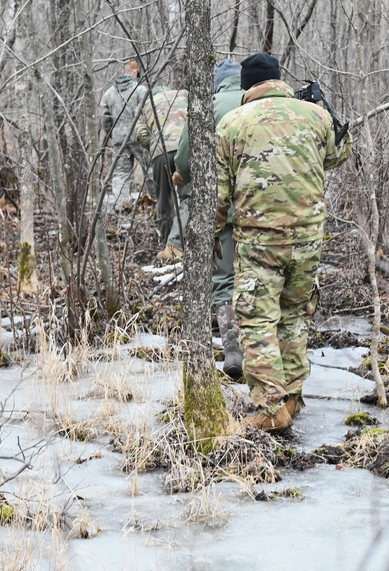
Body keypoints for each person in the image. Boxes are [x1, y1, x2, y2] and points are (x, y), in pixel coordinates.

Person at [216, 52, 352, 432]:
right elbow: (340, 153)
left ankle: (270, 407)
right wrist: (318, 113)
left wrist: (212, 237)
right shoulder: (315, 116)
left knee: (257, 321)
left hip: (259, 242)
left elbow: (218, 194)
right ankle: (291, 396)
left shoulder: (231, 124)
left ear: (246, 86)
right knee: (294, 316)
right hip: (308, 240)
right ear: (279, 80)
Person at [172, 59, 243, 377]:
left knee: (224, 279)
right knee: (263, 280)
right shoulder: (263, 102)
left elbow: (184, 161)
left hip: (220, 207)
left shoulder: (208, 105)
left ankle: (232, 349)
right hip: (266, 207)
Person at [137, 86, 188, 259]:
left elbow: (141, 132)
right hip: (184, 149)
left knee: (163, 199)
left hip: (161, 153)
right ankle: (181, 242)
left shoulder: (148, 103)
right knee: (188, 198)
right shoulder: (184, 95)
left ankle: (166, 242)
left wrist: (154, 146)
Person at [98, 61, 148, 211]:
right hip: (139, 137)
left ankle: (122, 206)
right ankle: (154, 202)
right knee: (150, 169)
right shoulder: (140, 90)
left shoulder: (108, 94)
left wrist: (113, 134)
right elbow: (147, 113)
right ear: (133, 72)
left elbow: (105, 119)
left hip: (119, 138)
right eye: (137, 73)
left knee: (121, 173)